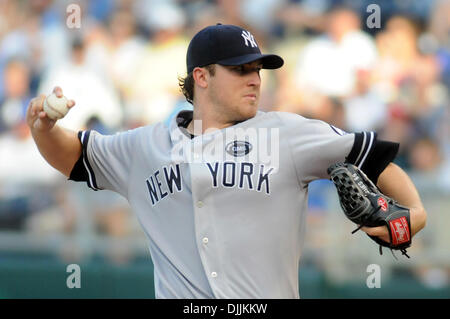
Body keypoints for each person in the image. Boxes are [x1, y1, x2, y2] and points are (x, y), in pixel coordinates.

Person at [26, 23, 427, 299]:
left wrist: (416, 215)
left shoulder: (285, 133)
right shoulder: (144, 146)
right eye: (240, 69)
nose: (255, 78)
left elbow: (376, 159)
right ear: (202, 77)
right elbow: (74, 158)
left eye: (257, 69)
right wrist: (44, 129)